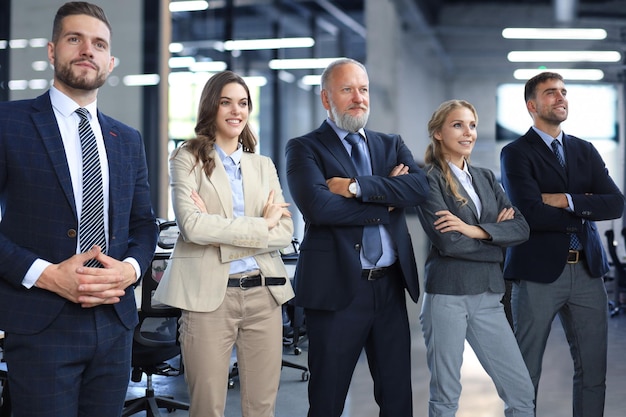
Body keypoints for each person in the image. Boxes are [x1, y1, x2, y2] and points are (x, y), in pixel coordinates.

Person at [0, 2, 159, 417]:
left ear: (110, 61)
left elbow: (143, 223)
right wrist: (47, 275)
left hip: (114, 324)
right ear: (53, 51)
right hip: (40, 322)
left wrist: (131, 269)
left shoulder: (127, 139)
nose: (87, 50)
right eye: (75, 39)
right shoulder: (9, 123)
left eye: (99, 43)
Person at [285, 58, 430, 417]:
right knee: (327, 401)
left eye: (363, 90)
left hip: (389, 289)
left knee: (398, 400)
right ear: (326, 98)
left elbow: (419, 188)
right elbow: (319, 209)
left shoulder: (389, 144)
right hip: (335, 291)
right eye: (347, 89)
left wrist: (355, 187)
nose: (358, 98)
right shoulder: (305, 148)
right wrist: (386, 201)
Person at [153, 70, 295, 417]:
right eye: (226, 102)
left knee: (262, 408)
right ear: (211, 107)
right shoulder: (187, 158)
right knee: (207, 409)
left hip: (265, 295)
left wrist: (221, 232)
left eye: (243, 103)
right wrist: (262, 224)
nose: (236, 111)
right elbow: (192, 226)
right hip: (207, 301)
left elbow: (285, 232)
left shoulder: (263, 165)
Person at [500, 71, 625, 417]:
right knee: (525, 372)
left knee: (593, 373)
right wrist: (584, 205)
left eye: (564, 92)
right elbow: (530, 214)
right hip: (538, 274)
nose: (561, 98)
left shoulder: (584, 150)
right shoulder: (516, 153)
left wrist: (564, 199)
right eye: (551, 92)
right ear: (532, 105)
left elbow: (615, 203)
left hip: (588, 271)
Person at [415, 99, 535, 417]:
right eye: (458, 125)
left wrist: (474, 231)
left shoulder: (485, 178)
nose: (468, 132)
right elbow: (448, 242)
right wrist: (496, 238)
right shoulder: (429, 180)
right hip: (447, 296)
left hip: (489, 297)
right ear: (438, 133)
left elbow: (521, 228)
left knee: (522, 393)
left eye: (472, 125)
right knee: (445, 396)